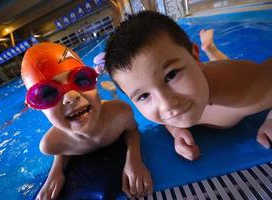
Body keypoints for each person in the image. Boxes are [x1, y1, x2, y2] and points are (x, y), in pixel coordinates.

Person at [105, 11, 272, 161]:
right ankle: (210, 48)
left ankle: (211, 49)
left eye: (171, 75)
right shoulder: (167, 106)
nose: (166, 105)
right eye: (143, 96)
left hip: (229, 78)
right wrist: (177, 131)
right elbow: (166, 118)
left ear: (194, 57)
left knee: (227, 69)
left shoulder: (242, 91)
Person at [21, 42, 152, 199]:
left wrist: (134, 159)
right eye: (47, 94)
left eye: (81, 79)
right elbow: (62, 150)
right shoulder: (50, 145)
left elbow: (131, 130)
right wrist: (56, 172)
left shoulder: (120, 113)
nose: (70, 96)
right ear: (39, 109)